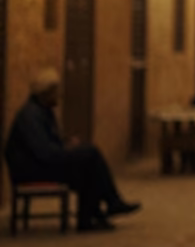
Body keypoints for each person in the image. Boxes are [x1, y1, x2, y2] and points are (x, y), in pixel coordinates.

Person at [4, 68, 141, 232]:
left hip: (40, 164)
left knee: (88, 166)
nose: (59, 96)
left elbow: (49, 143)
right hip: (31, 170)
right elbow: (43, 152)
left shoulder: (43, 111)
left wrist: (66, 145)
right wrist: (66, 151)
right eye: (55, 92)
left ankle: (91, 217)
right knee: (90, 154)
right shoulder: (30, 116)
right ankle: (109, 204)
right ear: (46, 93)